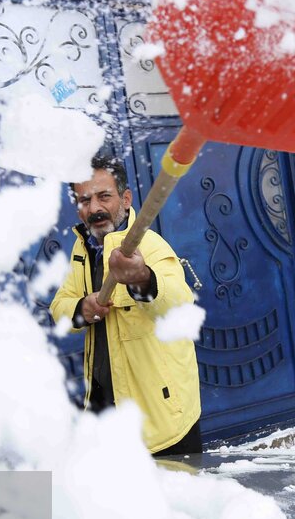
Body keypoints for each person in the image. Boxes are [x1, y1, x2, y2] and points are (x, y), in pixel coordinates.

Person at [50, 155, 202, 456]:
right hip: (105, 412)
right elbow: (59, 307)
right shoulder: (82, 252)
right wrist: (82, 308)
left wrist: (143, 278)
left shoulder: (150, 246)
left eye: (104, 196)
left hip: (160, 421)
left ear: (126, 198)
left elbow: (179, 304)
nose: (94, 208)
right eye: (85, 200)